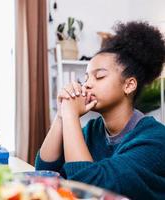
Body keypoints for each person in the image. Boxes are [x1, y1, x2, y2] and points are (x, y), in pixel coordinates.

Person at [35, 21, 165, 199]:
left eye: (99, 76)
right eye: (86, 77)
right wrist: (61, 115)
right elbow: (45, 173)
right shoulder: (92, 131)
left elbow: (91, 188)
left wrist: (71, 115)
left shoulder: (155, 139)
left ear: (129, 85)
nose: (87, 84)